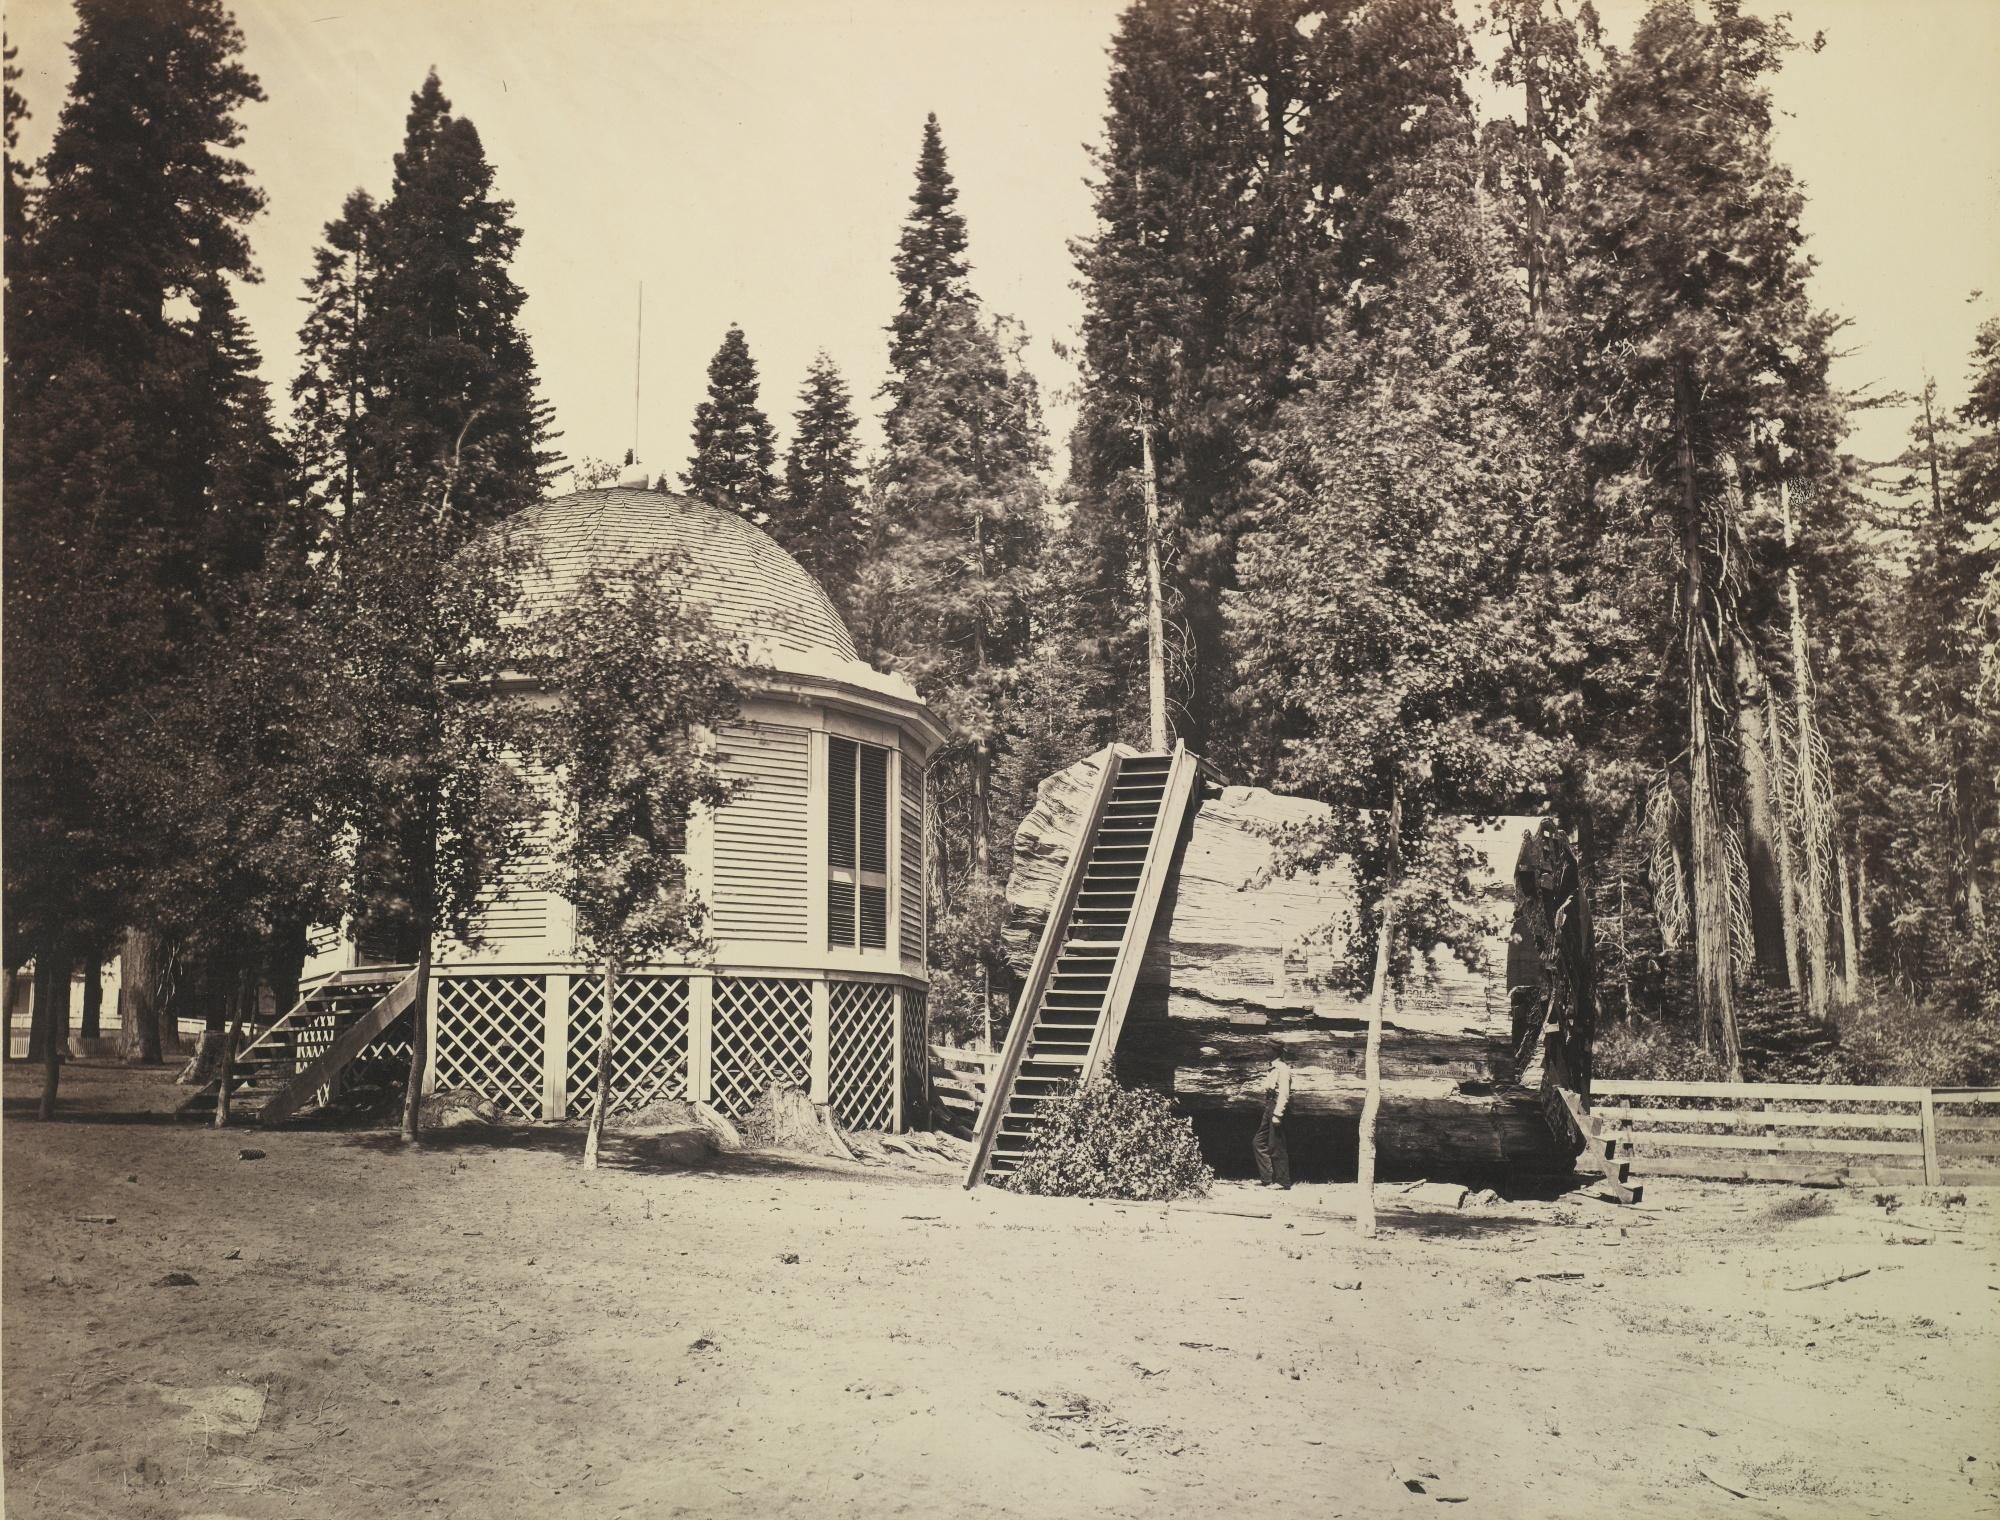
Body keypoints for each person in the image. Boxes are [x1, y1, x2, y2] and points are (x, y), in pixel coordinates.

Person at [1254, 1048, 1292, 1188]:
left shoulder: (1283, 1069)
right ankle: (1267, 1179)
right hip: (1269, 1105)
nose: (1265, 1051)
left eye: (1268, 1049)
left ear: (1275, 1052)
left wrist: (1278, 1114)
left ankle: (1283, 1181)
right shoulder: (1272, 1068)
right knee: (1258, 1142)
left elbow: (1284, 1094)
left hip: (1276, 1106)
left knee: (1277, 1144)